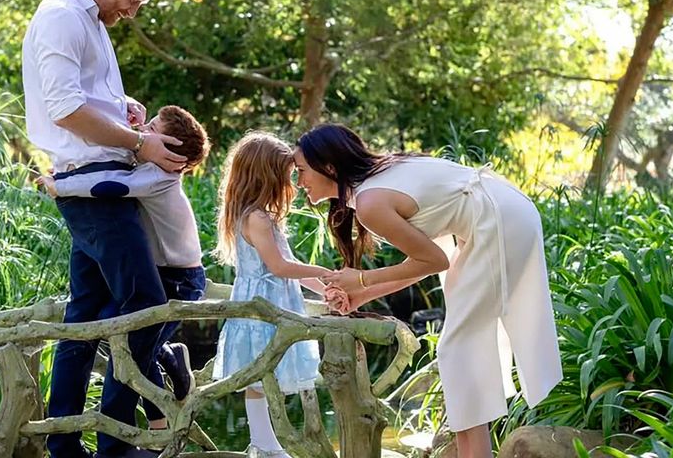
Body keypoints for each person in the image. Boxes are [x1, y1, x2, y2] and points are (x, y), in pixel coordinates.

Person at [294, 124, 562, 458]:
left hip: (500, 221)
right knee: (463, 350)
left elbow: (434, 260)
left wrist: (361, 279)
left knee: (459, 348)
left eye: (301, 171)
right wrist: (362, 294)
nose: (299, 181)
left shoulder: (370, 201)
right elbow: (421, 261)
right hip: (501, 213)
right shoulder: (377, 181)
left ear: (329, 167)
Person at [22, 0, 185, 458]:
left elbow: (82, 98)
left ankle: (64, 445)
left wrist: (122, 107)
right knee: (147, 306)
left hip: (98, 180)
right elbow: (67, 112)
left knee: (87, 314)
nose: (133, 12)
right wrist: (141, 143)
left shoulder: (87, 19)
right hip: (93, 187)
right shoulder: (63, 17)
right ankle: (116, 441)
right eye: (136, 0)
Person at [39, 105, 211, 431]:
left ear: (171, 151)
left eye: (153, 129)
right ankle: (167, 364)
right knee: (129, 340)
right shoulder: (148, 168)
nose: (143, 131)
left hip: (181, 279)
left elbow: (111, 185)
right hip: (167, 271)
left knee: (134, 347)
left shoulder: (158, 177)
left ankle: (159, 425)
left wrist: (61, 185)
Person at [210, 132, 329, 458]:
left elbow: (286, 265)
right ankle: (266, 444)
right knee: (262, 375)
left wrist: (325, 289)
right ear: (268, 177)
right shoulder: (257, 218)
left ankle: (266, 443)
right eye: (287, 176)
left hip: (266, 302)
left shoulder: (253, 214)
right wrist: (324, 273)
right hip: (264, 308)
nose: (291, 184)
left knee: (263, 376)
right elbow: (279, 267)